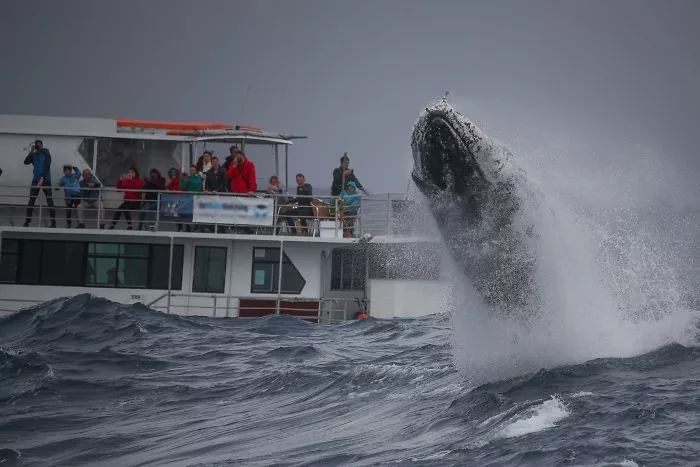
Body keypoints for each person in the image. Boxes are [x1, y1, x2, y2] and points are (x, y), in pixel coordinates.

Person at [23, 139, 56, 227]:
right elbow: (25, 162)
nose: (38, 146)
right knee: (31, 200)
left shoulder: (46, 153)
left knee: (49, 200)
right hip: (36, 180)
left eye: (39, 144)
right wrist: (31, 152)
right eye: (37, 144)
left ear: (42, 145)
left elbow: (47, 163)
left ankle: (53, 222)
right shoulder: (34, 155)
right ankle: (27, 221)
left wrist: (43, 177)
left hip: (46, 180)